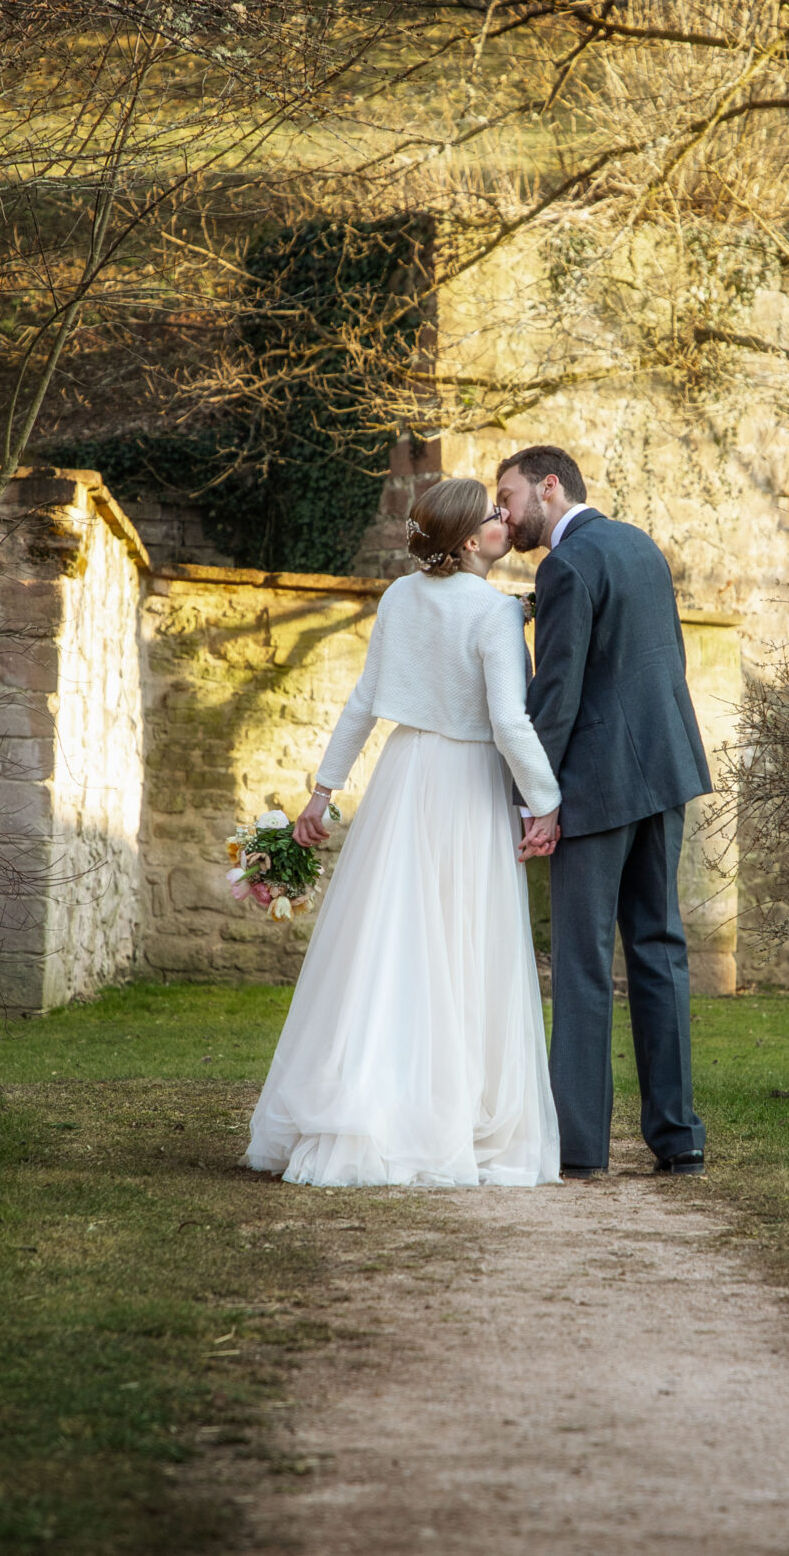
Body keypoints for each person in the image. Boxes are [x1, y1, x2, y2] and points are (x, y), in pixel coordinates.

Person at [243, 477, 564, 1187]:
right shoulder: (495, 614)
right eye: (492, 516)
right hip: (468, 785)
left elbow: (364, 702)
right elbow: (511, 723)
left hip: (404, 774)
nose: (504, 520)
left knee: (392, 942)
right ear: (467, 539)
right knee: (460, 942)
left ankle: (372, 1095)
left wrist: (321, 793)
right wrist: (547, 800)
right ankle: (443, 1112)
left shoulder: (398, 597)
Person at [496, 445, 712, 1179]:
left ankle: (579, 1145)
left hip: (596, 785)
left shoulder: (565, 565)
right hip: (665, 770)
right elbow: (663, 661)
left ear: (549, 487)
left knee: (585, 963)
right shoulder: (640, 545)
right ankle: (678, 1136)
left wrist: (534, 798)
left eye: (511, 495)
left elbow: (555, 696)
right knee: (660, 949)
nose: (505, 512)